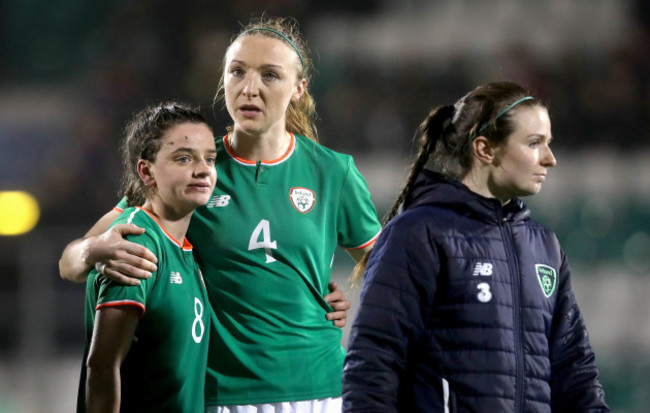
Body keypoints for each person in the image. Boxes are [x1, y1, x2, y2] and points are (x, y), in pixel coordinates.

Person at [60, 16, 381, 412]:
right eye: (237, 72)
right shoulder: (192, 169)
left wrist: (342, 295)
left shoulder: (333, 172)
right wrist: (93, 253)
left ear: (298, 89)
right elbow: (70, 262)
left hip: (322, 388)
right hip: (224, 396)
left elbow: (386, 270)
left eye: (270, 76)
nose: (250, 88)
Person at [342, 82, 610, 412]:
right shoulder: (417, 233)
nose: (550, 159)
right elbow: (374, 363)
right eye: (534, 143)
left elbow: (575, 371)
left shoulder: (545, 247)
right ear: (484, 149)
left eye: (548, 144)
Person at [79, 101, 217, 412]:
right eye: (183, 158)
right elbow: (102, 367)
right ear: (146, 171)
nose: (202, 170)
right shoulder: (137, 240)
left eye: (209, 158)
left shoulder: (185, 248)